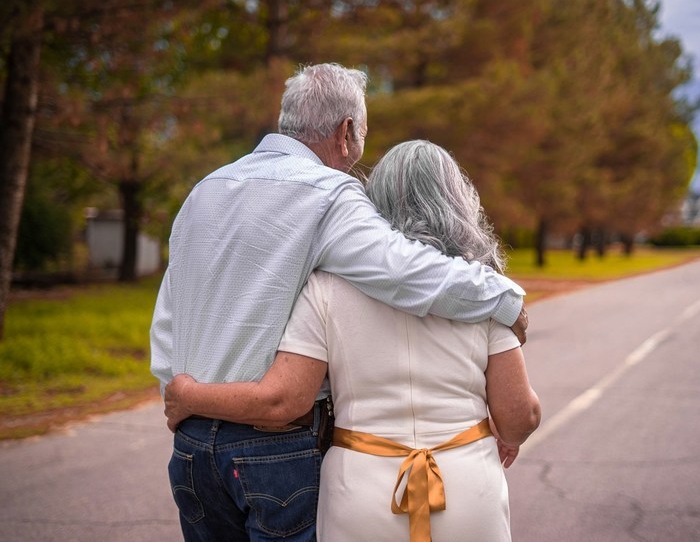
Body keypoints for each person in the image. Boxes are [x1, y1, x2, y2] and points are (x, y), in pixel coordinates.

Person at [150, 63, 528, 542]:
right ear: (346, 132)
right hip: (274, 450)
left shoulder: (205, 190)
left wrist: (181, 394)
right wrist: (505, 297)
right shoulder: (331, 194)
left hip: (191, 446)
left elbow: (169, 315)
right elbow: (406, 270)